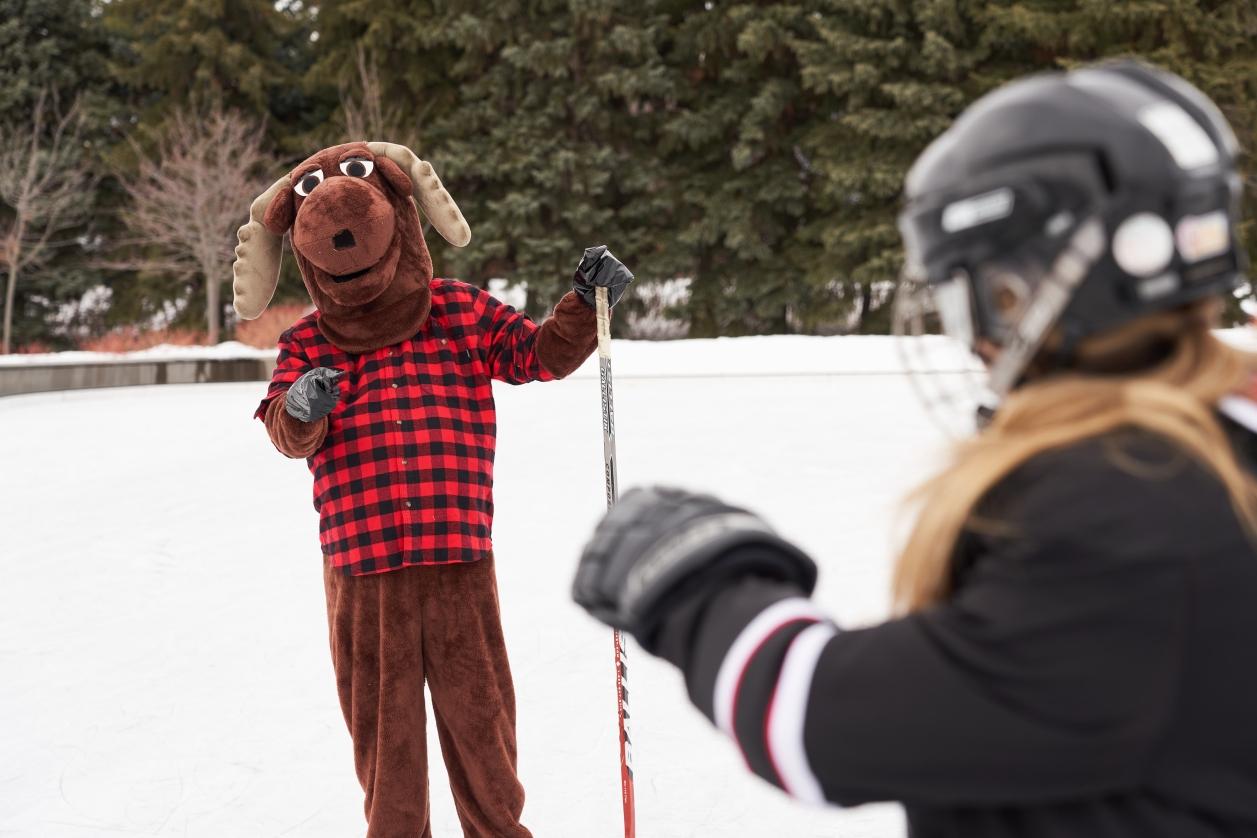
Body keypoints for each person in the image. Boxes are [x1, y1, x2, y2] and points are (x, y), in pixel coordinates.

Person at [571, 61, 1257, 837]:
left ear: (1064, 281)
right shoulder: (1213, 446)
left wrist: (694, 582)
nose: (974, 341)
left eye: (987, 297)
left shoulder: (1133, 507)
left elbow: (821, 724)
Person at [233, 141, 633, 838]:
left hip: (457, 563)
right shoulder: (307, 343)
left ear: (401, 212)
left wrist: (583, 301)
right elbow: (281, 430)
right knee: (386, 750)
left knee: (481, 730)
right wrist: (300, 406)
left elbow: (535, 355)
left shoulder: (458, 312)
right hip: (365, 576)